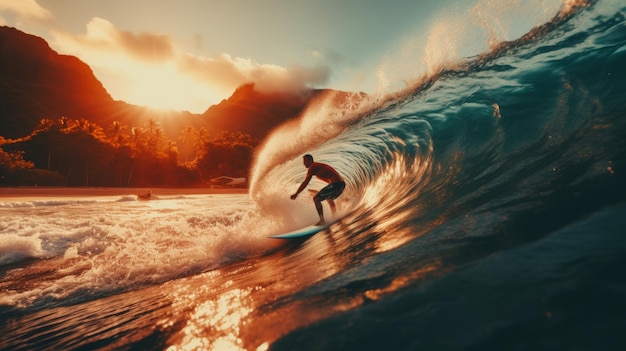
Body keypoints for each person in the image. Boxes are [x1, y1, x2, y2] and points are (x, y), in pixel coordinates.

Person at [290, 154, 346, 226]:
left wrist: (296, 193)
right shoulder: (317, 166)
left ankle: (322, 220)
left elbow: (305, 182)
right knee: (329, 198)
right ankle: (335, 216)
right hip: (341, 184)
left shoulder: (313, 167)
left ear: (310, 160)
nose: (304, 163)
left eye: (305, 161)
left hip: (337, 184)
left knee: (316, 198)